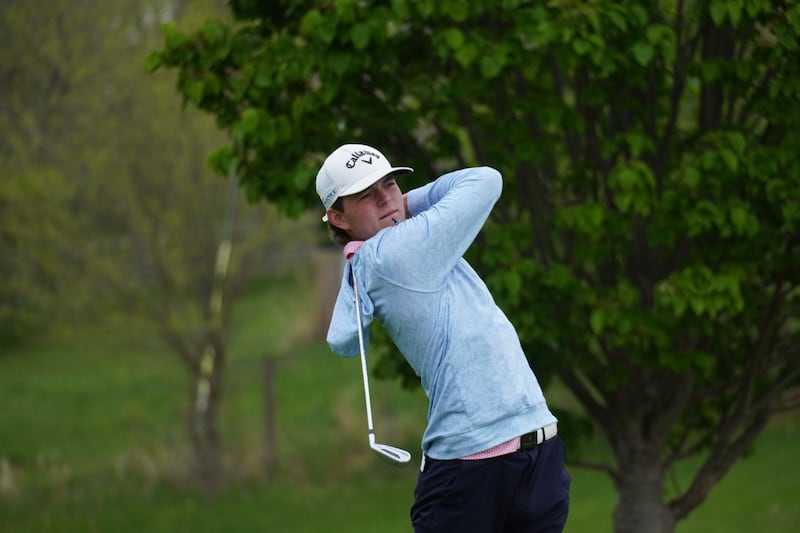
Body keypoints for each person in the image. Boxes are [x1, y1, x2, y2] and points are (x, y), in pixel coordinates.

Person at [316, 143, 570, 532]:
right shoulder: (394, 252)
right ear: (338, 217)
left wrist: (395, 208)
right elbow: (485, 180)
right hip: (473, 468)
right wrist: (405, 206)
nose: (386, 198)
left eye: (390, 185)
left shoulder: (395, 244)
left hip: (533, 450)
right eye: (367, 195)